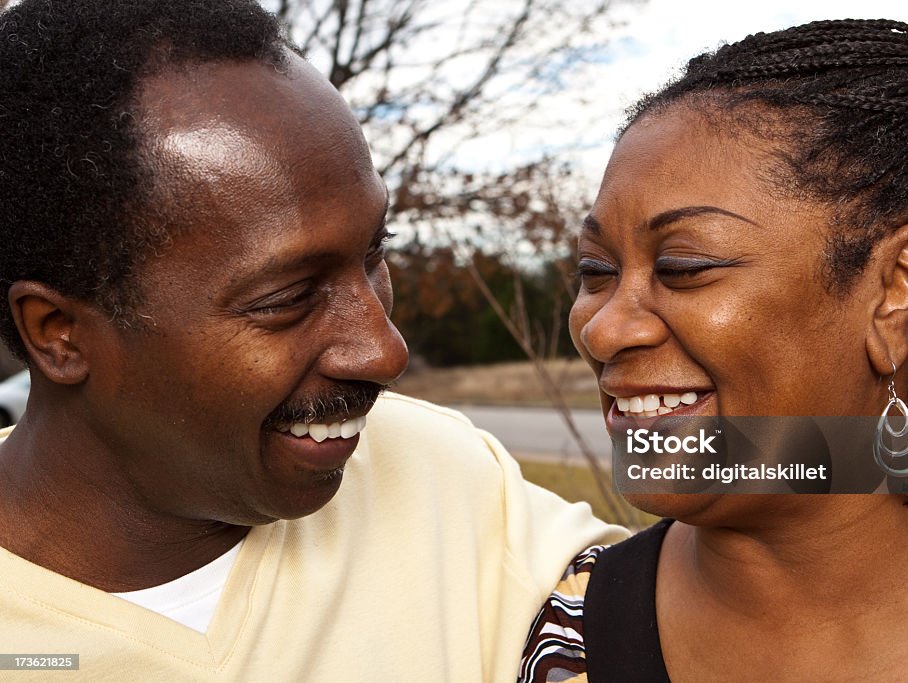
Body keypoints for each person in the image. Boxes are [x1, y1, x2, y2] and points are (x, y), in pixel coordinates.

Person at [0, 1, 626, 680]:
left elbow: (689, 601)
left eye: (374, 253)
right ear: (56, 334)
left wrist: (749, 442)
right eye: (286, 300)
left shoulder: (442, 473)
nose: (385, 352)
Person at [519, 19, 908, 682]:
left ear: (899, 290)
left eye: (682, 265)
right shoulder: (573, 632)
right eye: (595, 271)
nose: (602, 329)